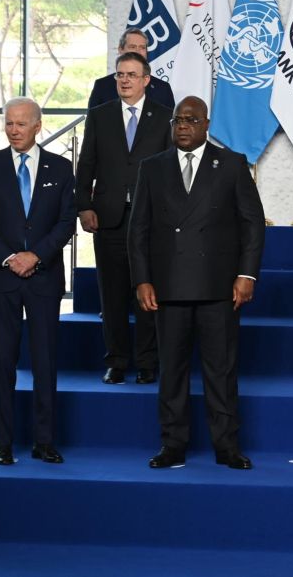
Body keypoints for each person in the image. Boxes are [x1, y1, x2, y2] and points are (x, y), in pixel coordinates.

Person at [128, 96, 265, 470]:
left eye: (191, 120)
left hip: (218, 287)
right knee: (171, 371)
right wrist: (142, 279)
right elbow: (137, 230)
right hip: (168, 287)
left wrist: (247, 274)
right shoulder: (152, 167)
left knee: (220, 371)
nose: (183, 126)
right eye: (178, 120)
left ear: (206, 124)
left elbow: (252, 224)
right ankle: (172, 445)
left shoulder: (231, 164)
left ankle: (227, 446)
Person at [0, 97, 76, 465]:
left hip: (44, 279)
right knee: (2, 363)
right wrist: (10, 258)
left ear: (37, 126)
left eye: (21, 124)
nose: (13, 130)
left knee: (45, 362)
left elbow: (66, 222)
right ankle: (4, 443)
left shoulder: (60, 167)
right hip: (3, 279)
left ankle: (44, 442)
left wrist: (36, 256)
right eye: (9, 123)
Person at [76, 52, 173, 385]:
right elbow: (86, 164)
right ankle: (116, 361)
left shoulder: (165, 117)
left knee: (147, 292)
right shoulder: (100, 115)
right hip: (108, 218)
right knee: (112, 295)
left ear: (146, 80)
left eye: (132, 75)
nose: (125, 80)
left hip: (150, 220)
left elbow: (171, 170)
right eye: (120, 75)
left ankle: (147, 362)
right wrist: (83, 206)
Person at [88, 27, 175, 109]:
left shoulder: (163, 89)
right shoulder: (102, 86)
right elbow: (93, 119)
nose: (138, 52)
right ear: (120, 50)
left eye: (142, 47)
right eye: (132, 47)